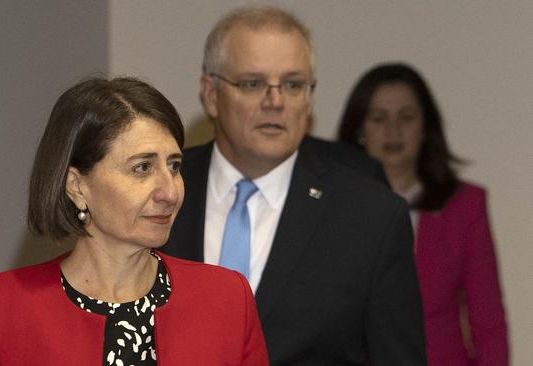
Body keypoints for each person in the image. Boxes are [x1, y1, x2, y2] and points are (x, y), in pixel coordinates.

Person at [162, 6, 427, 365]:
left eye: (292, 85)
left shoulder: (370, 216)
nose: (275, 102)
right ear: (211, 95)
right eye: (253, 83)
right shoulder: (159, 190)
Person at [0, 77, 269, 365]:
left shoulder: (227, 298)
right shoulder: (3, 308)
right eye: (142, 168)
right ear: (77, 186)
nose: (169, 192)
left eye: (173, 166)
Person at [337, 62, 509, 365]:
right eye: (379, 118)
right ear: (360, 129)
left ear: (426, 127)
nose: (393, 130)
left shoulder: (466, 206)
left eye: (406, 117)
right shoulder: (335, 205)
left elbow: (489, 323)